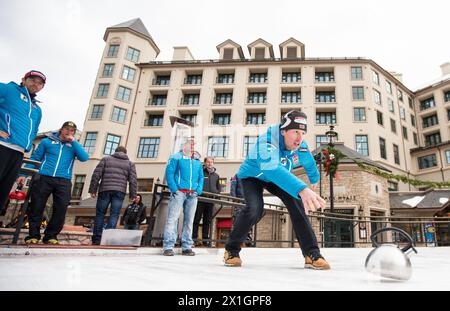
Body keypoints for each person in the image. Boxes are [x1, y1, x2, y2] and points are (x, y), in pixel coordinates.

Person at [223, 110, 330, 270]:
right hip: (252, 176)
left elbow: (308, 161)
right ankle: (231, 250)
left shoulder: (300, 146)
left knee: (297, 204)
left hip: (275, 177)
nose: (299, 138)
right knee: (255, 209)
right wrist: (302, 188)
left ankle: (311, 253)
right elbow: (271, 168)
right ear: (283, 131)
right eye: (295, 132)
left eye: (302, 132)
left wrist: (314, 180)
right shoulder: (266, 142)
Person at [18, 121, 89, 244]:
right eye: (66, 129)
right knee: (37, 206)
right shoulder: (47, 141)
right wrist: (23, 174)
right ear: (61, 129)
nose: (69, 132)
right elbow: (35, 158)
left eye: (72, 131)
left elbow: (84, 158)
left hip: (64, 180)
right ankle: (33, 235)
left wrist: (74, 141)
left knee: (61, 209)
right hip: (44, 177)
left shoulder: (73, 145)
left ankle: (51, 236)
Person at [0, 70, 45, 211]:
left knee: (3, 192)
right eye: (32, 80)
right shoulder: (9, 89)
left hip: (18, 153)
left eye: (40, 83)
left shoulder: (37, 109)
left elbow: (34, 130)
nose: (35, 84)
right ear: (23, 79)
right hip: (2, 146)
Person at [163, 138, 204, 256]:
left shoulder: (197, 160)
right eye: (190, 143)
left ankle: (186, 246)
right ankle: (168, 246)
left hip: (192, 194)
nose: (192, 146)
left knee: (189, 221)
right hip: (179, 192)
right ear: (184, 145)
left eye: (194, 144)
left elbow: (201, 177)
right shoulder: (176, 157)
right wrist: (174, 189)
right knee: (172, 219)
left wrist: (198, 190)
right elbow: (169, 173)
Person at [88, 146, 137, 245]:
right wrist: (133, 195)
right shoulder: (130, 164)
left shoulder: (106, 159)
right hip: (119, 191)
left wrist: (93, 189)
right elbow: (133, 180)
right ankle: (108, 239)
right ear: (125, 153)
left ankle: (97, 239)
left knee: (100, 214)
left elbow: (96, 174)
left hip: (105, 189)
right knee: (114, 214)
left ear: (115, 152)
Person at [192, 157, 221, 246]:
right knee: (196, 219)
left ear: (213, 163)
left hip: (210, 200)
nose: (209, 164)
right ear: (204, 163)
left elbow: (218, 188)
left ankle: (205, 239)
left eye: (211, 162)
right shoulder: (200, 172)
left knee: (207, 220)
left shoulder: (216, 175)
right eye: (208, 162)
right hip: (200, 199)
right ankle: (194, 238)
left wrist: (216, 193)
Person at [230, 174, 253, 246]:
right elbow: (232, 188)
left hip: (248, 201)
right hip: (238, 201)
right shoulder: (237, 176)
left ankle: (247, 238)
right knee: (237, 219)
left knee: (249, 220)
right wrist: (235, 200)